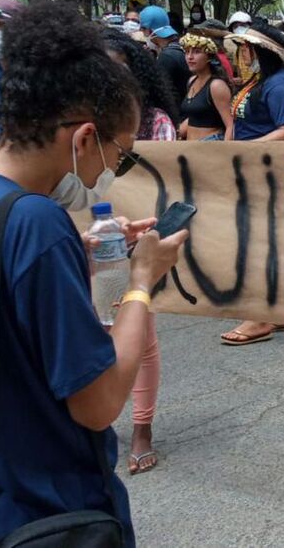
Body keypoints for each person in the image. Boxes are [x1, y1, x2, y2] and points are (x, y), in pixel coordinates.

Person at [0, 0, 187, 545]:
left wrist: (66, 253)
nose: (113, 172)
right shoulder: (37, 223)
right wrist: (141, 282)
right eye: (121, 156)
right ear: (83, 138)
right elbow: (99, 403)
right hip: (48, 514)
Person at [99, 29, 176, 474]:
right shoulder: (76, 125)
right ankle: (100, 419)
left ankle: (141, 427)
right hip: (90, 241)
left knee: (139, 332)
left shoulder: (157, 125)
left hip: (133, 243)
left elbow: (165, 186)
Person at [221, 25, 284, 346]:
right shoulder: (260, 81)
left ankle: (260, 317)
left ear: (260, 53)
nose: (241, 54)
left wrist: (247, 149)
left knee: (258, 242)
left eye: (246, 49)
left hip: (269, 174)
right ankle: (281, 310)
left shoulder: (279, 84)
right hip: (252, 171)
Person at [178, 33, 233, 141]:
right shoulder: (191, 81)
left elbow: (230, 125)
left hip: (211, 146)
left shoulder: (216, 85)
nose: (190, 57)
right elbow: (194, 117)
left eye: (196, 52)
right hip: (190, 147)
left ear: (209, 57)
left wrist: (227, 152)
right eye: (187, 52)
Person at [140, 5, 188, 122]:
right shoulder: (181, 48)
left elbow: (159, 92)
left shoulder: (167, 57)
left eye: (143, 30)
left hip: (176, 119)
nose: (143, 34)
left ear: (150, 30)